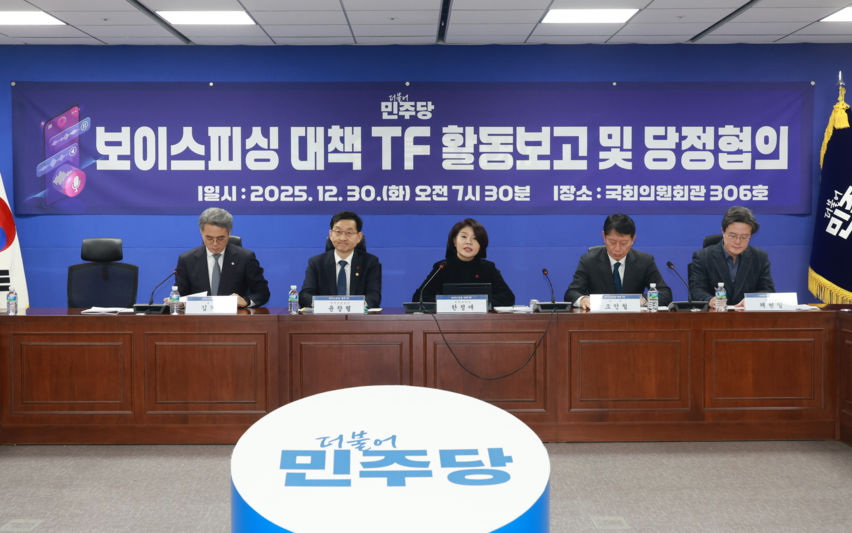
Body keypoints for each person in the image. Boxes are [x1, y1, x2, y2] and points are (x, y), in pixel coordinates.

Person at [565, 213, 672, 309]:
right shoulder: (588, 261)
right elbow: (571, 293)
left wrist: (644, 299)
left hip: (634, 321)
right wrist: (583, 300)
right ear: (604, 237)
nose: (617, 248)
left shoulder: (645, 261)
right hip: (599, 320)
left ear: (633, 239)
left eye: (624, 243)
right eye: (612, 242)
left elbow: (665, 294)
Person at [175, 207, 269, 308]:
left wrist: (246, 302)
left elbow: (262, 293)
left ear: (229, 233)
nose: (215, 244)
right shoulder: (187, 260)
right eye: (209, 238)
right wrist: (177, 302)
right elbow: (180, 294)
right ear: (201, 232)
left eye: (220, 238)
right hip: (199, 316)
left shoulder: (245, 258)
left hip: (234, 316)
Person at [412, 218, 515, 307]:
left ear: (481, 245)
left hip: (482, 321)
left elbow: (508, 298)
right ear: (454, 241)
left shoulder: (488, 268)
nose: (469, 242)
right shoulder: (442, 267)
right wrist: (448, 303)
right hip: (448, 321)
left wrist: (477, 303)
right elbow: (419, 297)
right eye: (464, 237)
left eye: (475, 239)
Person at [689, 205, 774, 307]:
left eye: (744, 237)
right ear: (723, 231)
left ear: (750, 236)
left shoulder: (760, 258)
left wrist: (752, 300)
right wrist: (710, 300)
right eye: (733, 236)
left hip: (747, 315)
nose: (738, 242)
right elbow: (696, 290)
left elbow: (767, 291)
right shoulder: (703, 257)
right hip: (715, 314)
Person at [299, 211, 382, 308]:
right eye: (338, 232)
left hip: (358, 316)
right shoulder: (316, 263)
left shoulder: (370, 263)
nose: (343, 238)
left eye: (349, 233)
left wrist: (353, 307)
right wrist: (326, 305)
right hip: (326, 316)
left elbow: (374, 296)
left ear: (359, 237)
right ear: (331, 234)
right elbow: (305, 295)